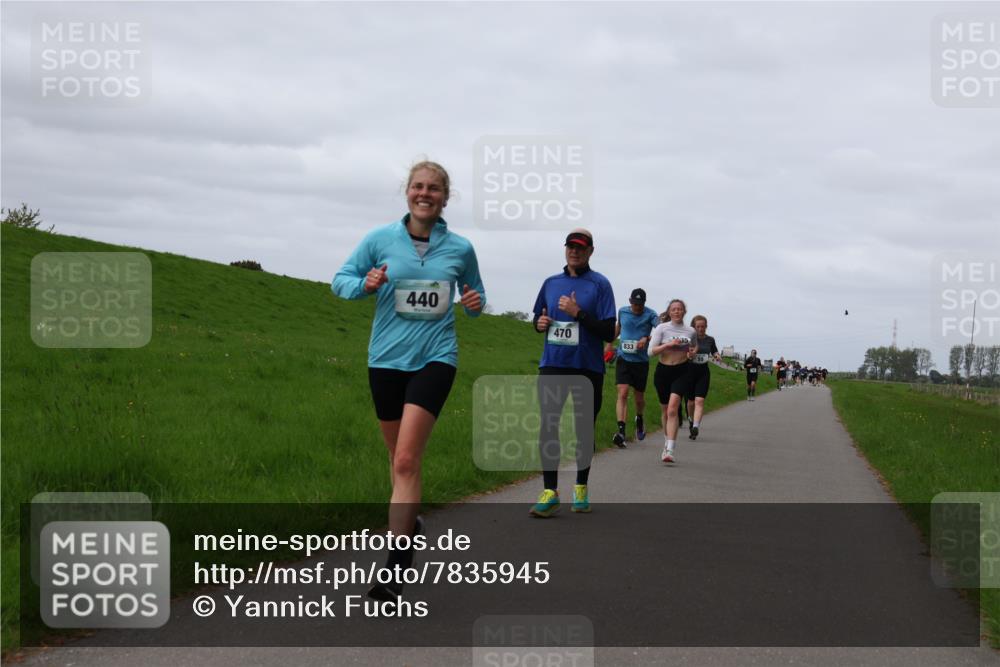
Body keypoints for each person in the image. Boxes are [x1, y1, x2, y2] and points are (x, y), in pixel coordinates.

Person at [332, 161, 485, 600]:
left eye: (434, 188)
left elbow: (475, 297)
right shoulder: (380, 239)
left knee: (405, 461)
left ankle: (395, 570)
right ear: (407, 193)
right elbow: (339, 281)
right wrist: (365, 283)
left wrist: (474, 302)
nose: (425, 194)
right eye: (418, 186)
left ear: (445, 197)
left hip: (436, 358)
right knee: (397, 460)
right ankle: (411, 521)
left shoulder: (460, 247)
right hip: (385, 360)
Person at [530, 229, 616, 516]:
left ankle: (581, 485)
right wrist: (540, 323)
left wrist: (578, 312)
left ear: (591, 251)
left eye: (580, 248)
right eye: (570, 247)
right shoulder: (551, 283)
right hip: (554, 362)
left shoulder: (600, 285)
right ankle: (550, 490)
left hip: (588, 367)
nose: (574, 252)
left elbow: (607, 331)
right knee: (549, 425)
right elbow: (537, 317)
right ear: (565, 249)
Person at [606, 288, 659, 447]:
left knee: (639, 398)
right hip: (624, 358)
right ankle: (621, 432)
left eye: (640, 304)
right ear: (630, 302)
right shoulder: (622, 311)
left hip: (641, 362)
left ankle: (640, 418)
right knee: (622, 393)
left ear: (644, 303)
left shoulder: (651, 314)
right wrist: (609, 343)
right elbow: (618, 328)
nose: (637, 307)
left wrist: (647, 337)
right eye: (635, 304)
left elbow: (660, 331)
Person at [648, 299, 696, 464]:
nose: (677, 311)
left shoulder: (690, 331)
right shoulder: (662, 328)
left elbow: (694, 347)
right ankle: (666, 440)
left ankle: (670, 449)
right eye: (674, 309)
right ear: (669, 312)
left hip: (682, 371)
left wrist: (691, 354)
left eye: (680, 309)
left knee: (673, 410)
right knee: (665, 410)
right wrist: (668, 345)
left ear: (684, 312)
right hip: (663, 372)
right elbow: (651, 351)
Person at [684, 315, 720, 440]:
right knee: (690, 402)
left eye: (703, 327)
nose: (700, 329)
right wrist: (688, 354)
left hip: (703, 372)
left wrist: (717, 355)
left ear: (706, 327)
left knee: (699, 400)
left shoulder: (710, 339)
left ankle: (695, 426)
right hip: (689, 372)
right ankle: (690, 419)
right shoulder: (688, 339)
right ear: (693, 327)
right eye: (698, 327)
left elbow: (714, 351)